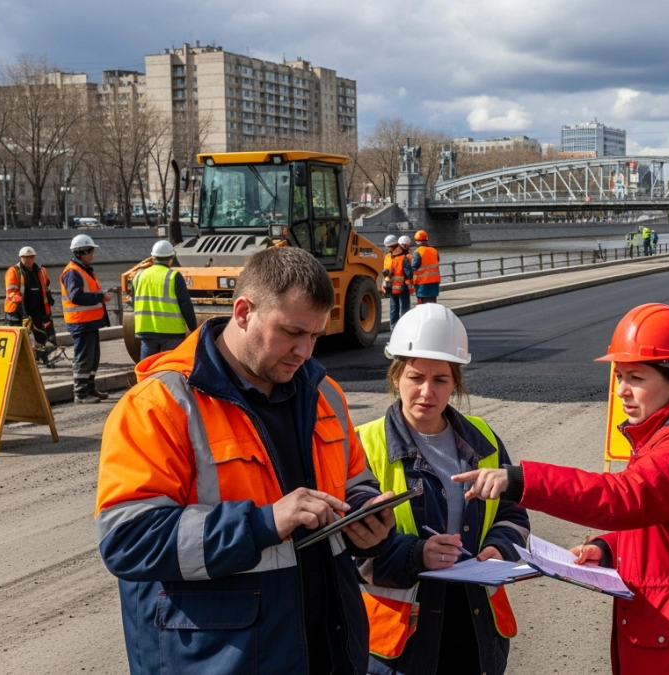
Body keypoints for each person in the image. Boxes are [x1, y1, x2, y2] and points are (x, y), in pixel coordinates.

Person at [95, 246, 399, 674]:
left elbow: (354, 481)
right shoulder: (159, 405)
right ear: (242, 312)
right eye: (291, 332)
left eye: (315, 336)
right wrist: (262, 523)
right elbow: (128, 541)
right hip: (220, 658)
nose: (305, 351)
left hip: (328, 650)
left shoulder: (324, 393)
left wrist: (366, 516)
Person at [455, 303, 669, 674]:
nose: (622, 391)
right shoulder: (664, 435)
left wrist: (521, 480)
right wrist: (609, 549)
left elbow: (626, 497)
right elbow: (665, 526)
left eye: (636, 378)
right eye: (619, 376)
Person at [356, 304, 529, 675]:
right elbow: (350, 548)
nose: (426, 391)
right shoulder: (365, 445)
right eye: (415, 377)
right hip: (402, 641)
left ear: (455, 383)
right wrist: (416, 554)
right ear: (396, 377)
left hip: (474, 627)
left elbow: (513, 512)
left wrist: (500, 548)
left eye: (440, 380)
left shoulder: (483, 438)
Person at [62, 234, 112, 403]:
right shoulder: (73, 272)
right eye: (90, 251)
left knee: (92, 357)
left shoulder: (83, 270)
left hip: (89, 322)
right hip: (80, 322)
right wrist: (100, 297)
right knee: (84, 358)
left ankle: (90, 388)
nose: (93, 254)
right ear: (81, 252)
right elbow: (76, 296)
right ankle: (81, 393)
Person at [133, 240, 197, 359]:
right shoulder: (174, 277)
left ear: (153, 257)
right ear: (170, 258)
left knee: (147, 366)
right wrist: (193, 327)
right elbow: (186, 305)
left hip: (146, 330)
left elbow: (134, 301)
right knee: (171, 366)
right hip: (172, 332)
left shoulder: (139, 275)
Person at [4, 246, 57, 364]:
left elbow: (45, 287)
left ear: (34, 257)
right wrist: (21, 309)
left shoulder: (41, 271)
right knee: (17, 338)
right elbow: (11, 291)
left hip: (37, 309)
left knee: (43, 335)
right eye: (25, 257)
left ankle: (40, 356)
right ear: (21, 258)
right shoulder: (13, 271)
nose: (28, 260)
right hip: (18, 311)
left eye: (31, 257)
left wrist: (49, 298)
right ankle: (16, 361)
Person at [410, 230, 440, 305]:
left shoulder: (418, 252)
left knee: (422, 306)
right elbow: (437, 261)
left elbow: (413, 268)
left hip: (422, 284)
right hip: (434, 283)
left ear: (416, 241)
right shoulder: (434, 250)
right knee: (433, 305)